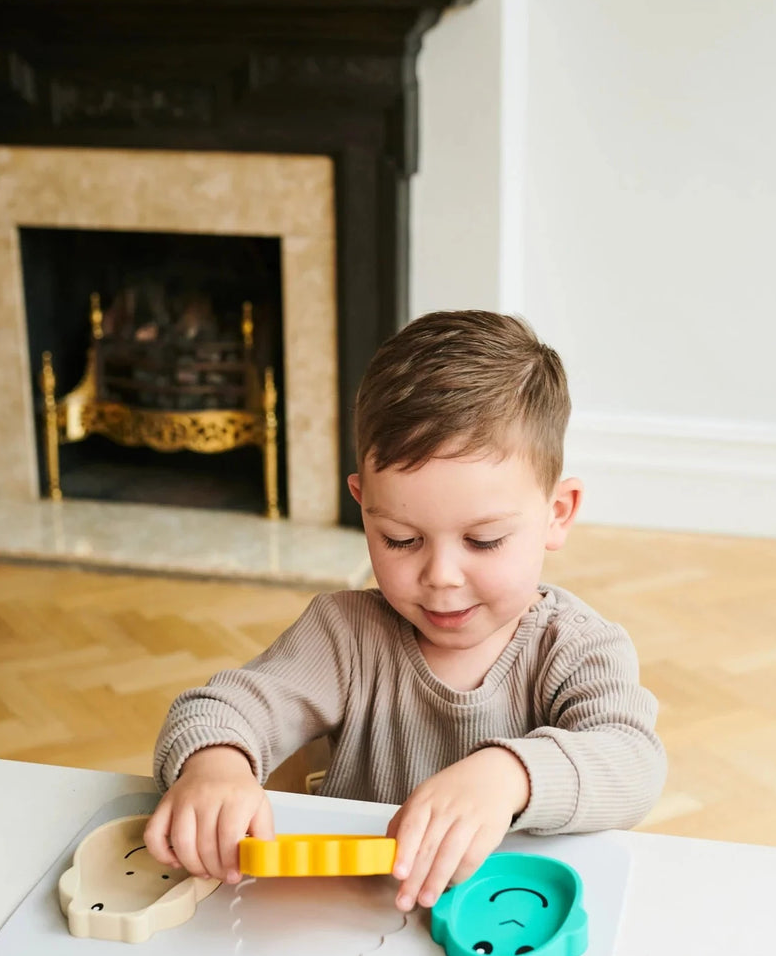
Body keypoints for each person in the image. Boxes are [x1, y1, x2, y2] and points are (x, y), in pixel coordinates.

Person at [145, 310, 666, 912]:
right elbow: (220, 709)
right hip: (355, 919)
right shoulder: (343, 635)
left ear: (558, 512)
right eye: (400, 539)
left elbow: (633, 762)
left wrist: (509, 775)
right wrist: (216, 767)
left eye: (484, 541)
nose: (440, 577)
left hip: (508, 918)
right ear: (363, 505)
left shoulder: (577, 648)